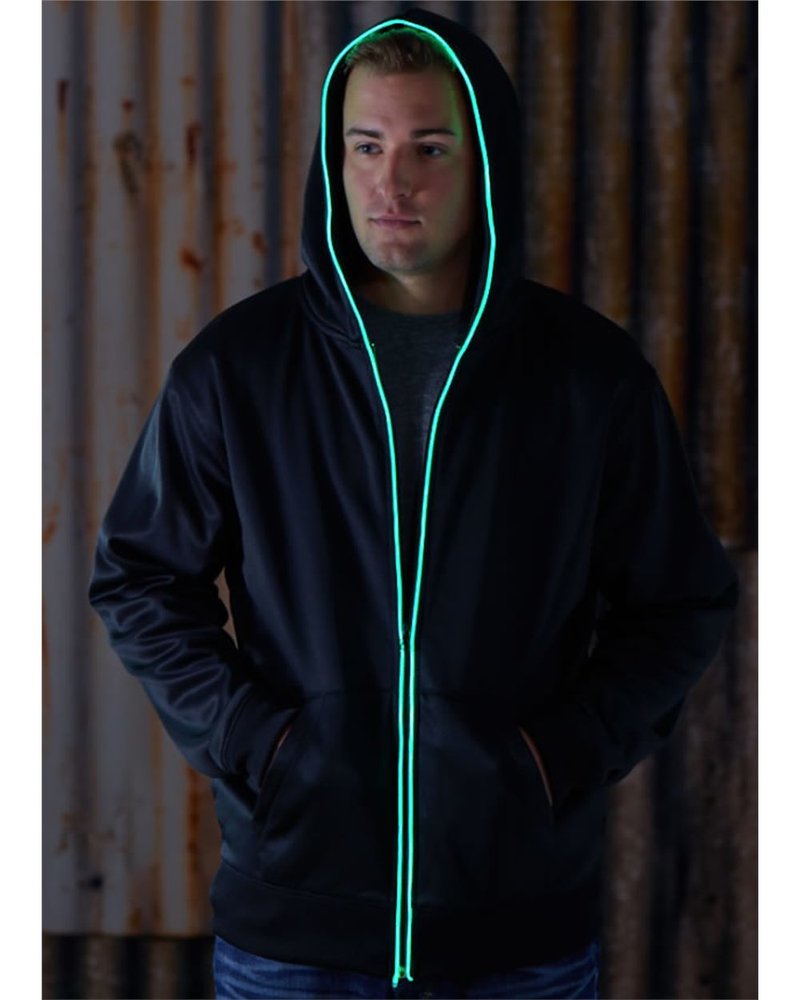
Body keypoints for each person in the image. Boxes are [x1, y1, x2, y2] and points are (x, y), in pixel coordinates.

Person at [88, 7, 739, 1000]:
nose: (391, 182)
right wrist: (259, 742)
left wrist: (554, 755)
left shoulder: (587, 377)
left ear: (486, 166)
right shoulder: (239, 369)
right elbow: (138, 577)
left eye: (429, 148)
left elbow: (680, 600)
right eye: (366, 146)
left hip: (515, 935)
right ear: (335, 160)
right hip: (293, 933)